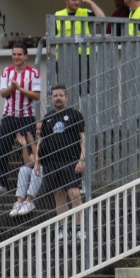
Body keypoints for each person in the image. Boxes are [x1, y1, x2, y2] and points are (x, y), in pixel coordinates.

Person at [38, 85, 88, 232]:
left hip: (70, 160)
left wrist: (82, 159)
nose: (58, 98)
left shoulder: (75, 115)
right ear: (51, 99)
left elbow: (83, 139)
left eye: (61, 95)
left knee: (74, 193)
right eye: (55, 95)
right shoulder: (47, 118)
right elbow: (41, 141)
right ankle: (63, 229)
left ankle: (79, 227)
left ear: (66, 97)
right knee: (59, 195)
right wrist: (36, 163)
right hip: (52, 162)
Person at [0, 42, 41, 177]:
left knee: (28, 149)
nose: (16, 57)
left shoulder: (33, 72)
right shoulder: (6, 71)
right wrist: (12, 88)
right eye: (14, 54)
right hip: (9, 115)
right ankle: (1, 183)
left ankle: (27, 181)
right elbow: (2, 93)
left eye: (19, 54)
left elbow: (37, 95)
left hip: (27, 117)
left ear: (26, 56)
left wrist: (20, 89)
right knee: (2, 149)